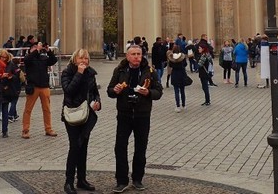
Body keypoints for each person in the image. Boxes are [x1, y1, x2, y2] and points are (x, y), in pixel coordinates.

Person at [107, 44, 162, 193]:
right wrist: (115, 90)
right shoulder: (119, 70)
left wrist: (148, 93)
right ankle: (121, 180)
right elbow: (109, 91)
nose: (137, 56)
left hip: (142, 114)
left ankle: (137, 179)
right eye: (134, 54)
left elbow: (158, 92)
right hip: (124, 114)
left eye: (139, 54)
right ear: (127, 56)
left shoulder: (149, 71)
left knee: (140, 148)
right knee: (120, 147)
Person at [61, 48, 101, 194]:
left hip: (87, 115)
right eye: (81, 58)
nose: (83, 61)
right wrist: (79, 73)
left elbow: (95, 92)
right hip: (72, 115)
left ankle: (82, 179)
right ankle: (68, 181)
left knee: (83, 147)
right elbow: (69, 90)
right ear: (74, 59)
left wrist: (97, 103)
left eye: (86, 59)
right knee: (74, 147)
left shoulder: (91, 73)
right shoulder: (67, 72)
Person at [22, 42, 58, 139]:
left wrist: (48, 51)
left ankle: (48, 129)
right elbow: (27, 60)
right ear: (30, 50)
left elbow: (53, 60)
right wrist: (36, 51)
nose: (37, 49)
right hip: (33, 87)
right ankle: (25, 130)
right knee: (28, 110)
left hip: (44, 87)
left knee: (47, 109)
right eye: (34, 47)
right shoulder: (29, 58)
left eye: (37, 47)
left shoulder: (43, 58)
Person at [168, 45, 188, 112]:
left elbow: (170, 65)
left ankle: (178, 106)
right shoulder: (182, 56)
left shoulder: (171, 57)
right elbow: (185, 64)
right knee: (182, 90)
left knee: (176, 91)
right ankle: (184, 105)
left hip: (175, 74)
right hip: (182, 73)